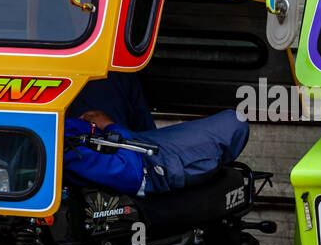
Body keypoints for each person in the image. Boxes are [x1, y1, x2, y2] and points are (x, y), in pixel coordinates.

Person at [63, 74, 249, 196]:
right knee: (233, 122)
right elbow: (130, 175)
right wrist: (111, 126)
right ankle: (182, 169)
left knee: (112, 76)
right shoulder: (58, 148)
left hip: (98, 135)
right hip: (140, 163)